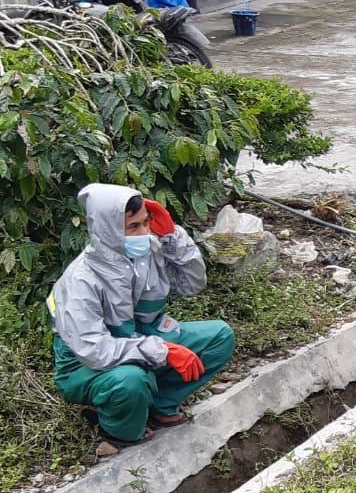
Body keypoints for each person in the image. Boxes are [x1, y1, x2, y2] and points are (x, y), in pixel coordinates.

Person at [49, 184, 234, 448]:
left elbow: (192, 284)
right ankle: (119, 430)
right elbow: (95, 351)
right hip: (84, 365)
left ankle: (159, 404)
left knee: (218, 337)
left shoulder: (149, 253)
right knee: (131, 381)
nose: (144, 233)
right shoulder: (80, 280)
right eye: (133, 227)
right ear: (107, 230)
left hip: (139, 337)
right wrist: (162, 351)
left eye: (146, 223)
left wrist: (171, 234)